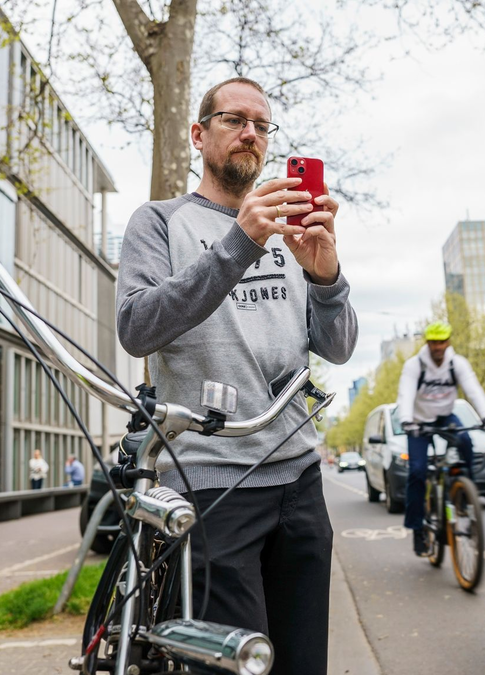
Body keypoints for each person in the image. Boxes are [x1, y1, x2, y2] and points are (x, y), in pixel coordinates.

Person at [115, 77, 358, 675]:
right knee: (234, 666)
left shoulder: (287, 228)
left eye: (261, 124)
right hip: (211, 483)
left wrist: (326, 278)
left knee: (304, 663)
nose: (250, 133)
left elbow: (340, 346)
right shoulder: (159, 222)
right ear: (199, 135)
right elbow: (136, 328)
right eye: (234, 120)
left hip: (299, 478)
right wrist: (239, 243)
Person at [396, 321, 485, 557]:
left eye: (442, 341)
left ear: (448, 341)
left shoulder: (457, 363)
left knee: (465, 441)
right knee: (417, 472)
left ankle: (465, 492)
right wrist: (406, 420)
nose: (438, 347)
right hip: (419, 421)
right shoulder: (415, 365)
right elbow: (406, 393)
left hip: (445, 417)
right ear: (428, 343)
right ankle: (417, 529)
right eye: (434, 342)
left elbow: (473, 389)